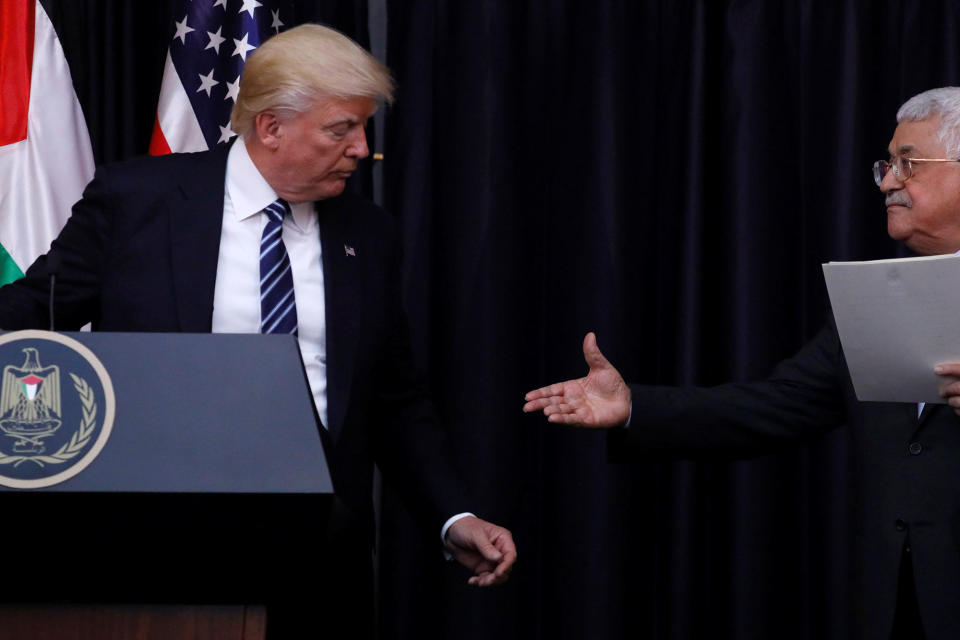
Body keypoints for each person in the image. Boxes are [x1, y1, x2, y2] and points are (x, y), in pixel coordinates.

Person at [0, 24, 515, 638]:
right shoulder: (138, 201)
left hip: (321, 550)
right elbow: (38, 306)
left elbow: (394, 399)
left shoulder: (369, 234)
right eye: (341, 128)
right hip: (158, 541)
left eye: (362, 128)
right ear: (271, 127)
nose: (361, 149)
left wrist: (453, 515)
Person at [524, 87, 960, 640]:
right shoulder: (877, 295)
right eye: (888, 164)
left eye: (909, 164)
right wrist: (635, 406)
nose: (889, 181)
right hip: (888, 608)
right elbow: (775, 405)